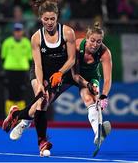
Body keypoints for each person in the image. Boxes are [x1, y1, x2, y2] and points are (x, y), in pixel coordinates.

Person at [7, 21, 112, 152]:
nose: (95, 44)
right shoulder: (78, 45)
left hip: (91, 78)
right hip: (72, 75)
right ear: (87, 38)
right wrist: (87, 84)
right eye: (92, 40)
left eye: (99, 41)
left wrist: (103, 95)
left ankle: (98, 133)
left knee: (89, 99)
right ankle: (24, 122)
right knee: (44, 101)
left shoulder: (105, 53)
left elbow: (107, 79)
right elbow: (75, 76)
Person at [2, 0, 76, 156]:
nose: (49, 22)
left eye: (52, 19)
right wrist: (41, 83)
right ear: (40, 18)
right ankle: (42, 142)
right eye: (46, 19)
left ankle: (18, 115)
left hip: (59, 73)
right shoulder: (36, 37)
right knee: (42, 101)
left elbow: (71, 59)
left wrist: (60, 73)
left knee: (40, 105)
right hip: (39, 71)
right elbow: (38, 65)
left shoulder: (68, 32)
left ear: (57, 17)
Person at [1, 22, 32, 115]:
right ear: (13, 32)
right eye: (16, 31)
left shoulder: (26, 43)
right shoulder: (7, 42)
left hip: (22, 71)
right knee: (10, 94)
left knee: (21, 94)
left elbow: (30, 58)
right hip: (10, 70)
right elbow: (3, 57)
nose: (17, 33)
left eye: (19, 31)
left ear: (22, 32)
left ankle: (20, 115)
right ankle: (9, 115)